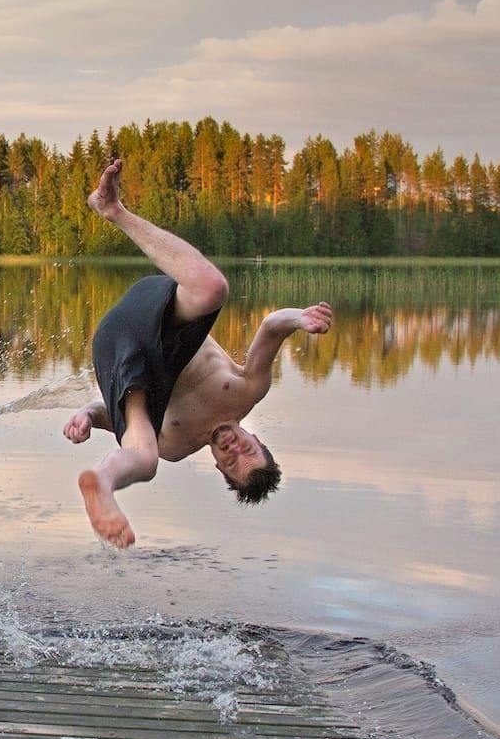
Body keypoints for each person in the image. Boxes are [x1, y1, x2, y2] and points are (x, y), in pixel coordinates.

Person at [65, 157, 332, 548]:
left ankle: (102, 483)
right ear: (256, 439)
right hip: (153, 315)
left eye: (230, 462)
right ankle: (113, 210)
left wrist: (87, 416)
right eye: (247, 450)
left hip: (115, 349)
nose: (232, 449)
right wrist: (300, 318)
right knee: (213, 289)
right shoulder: (249, 389)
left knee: (148, 457)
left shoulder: (176, 445)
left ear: (218, 467)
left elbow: (111, 411)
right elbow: (272, 327)